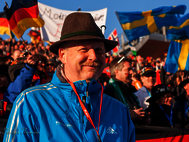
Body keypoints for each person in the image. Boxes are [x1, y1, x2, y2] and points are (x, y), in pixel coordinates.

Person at [4, 12, 135, 142]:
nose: (94, 56)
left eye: (99, 50)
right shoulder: (31, 102)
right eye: (84, 49)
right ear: (62, 55)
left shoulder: (120, 111)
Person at [104, 56, 148, 124]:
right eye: (128, 69)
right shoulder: (109, 90)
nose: (131, 72)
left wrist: (144, 116)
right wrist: (132, 114)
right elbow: (110, 114)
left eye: (132, 69)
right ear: (117, 71)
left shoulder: (129, 89)